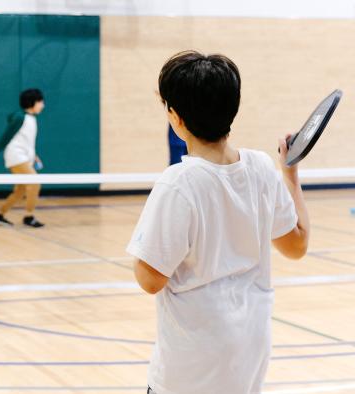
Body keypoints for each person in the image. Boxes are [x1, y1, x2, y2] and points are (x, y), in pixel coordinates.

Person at [126, 51, 310, 393]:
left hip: (190, 371)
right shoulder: (261, 168)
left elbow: (150, 279)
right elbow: (297, 245)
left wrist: (145, 243)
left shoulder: (177, 184)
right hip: (247, 360)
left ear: (175, 117)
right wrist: (291, 173)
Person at [0, 88, 45, 228]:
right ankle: (29, 216)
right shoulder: (20, 117)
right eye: (40, 102)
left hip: (24, 156)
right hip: (16, 156)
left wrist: (35, 156)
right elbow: (6, 137)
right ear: (32, 102)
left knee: (21, 190)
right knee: (35, 182)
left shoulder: (31, 118)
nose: (43, 105)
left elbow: (25, 141)